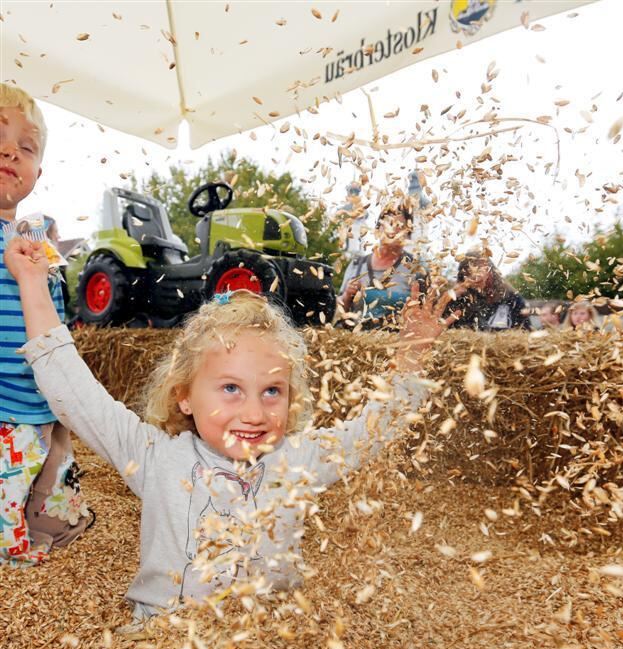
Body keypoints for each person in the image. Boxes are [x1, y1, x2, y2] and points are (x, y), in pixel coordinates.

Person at [6, 233, 457, 617]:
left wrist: (410, 362)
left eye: (272, 391)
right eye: (230, 389)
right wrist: (32, 282)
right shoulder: (156, 457)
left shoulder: (297, 460)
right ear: (184, 394)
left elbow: (371, 432)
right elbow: (73, 391)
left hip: (265, 643)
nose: (255, 413)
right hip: (164, 640)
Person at [0, 84, 93, 567]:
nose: (10, 150)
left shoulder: (41, 247)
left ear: (38, 171)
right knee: (6, 489)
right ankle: (13, 550)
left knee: (54, 479)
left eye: (27, 147)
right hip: (2, 403)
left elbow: (54, 318)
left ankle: (48, 521)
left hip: (41, 400)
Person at [338, 198, 428, 329]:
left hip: (397, 344)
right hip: (356, 342)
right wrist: (347, 295)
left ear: (408, 234)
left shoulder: (416, 269)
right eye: (388, 223)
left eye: (399, 226)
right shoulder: (357, 265)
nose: (392, 230)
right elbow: (339, 310)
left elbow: (426, 315)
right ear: (378, 229)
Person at [446, 248, 531, 331]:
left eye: (481, 269)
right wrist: (451, 300)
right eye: (470, 272)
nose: (477, 277)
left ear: (491, 271)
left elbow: (525, 333)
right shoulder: (461, 301)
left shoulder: (512, 299)